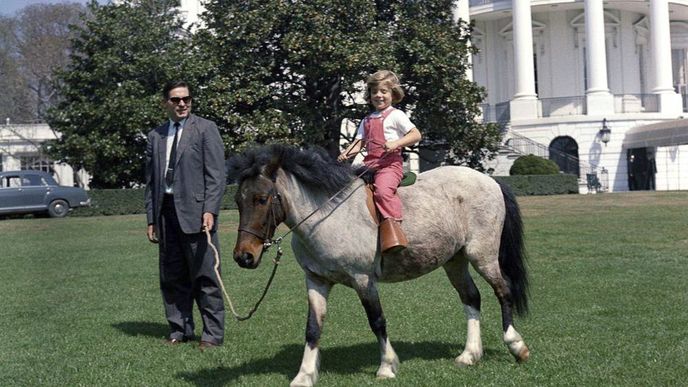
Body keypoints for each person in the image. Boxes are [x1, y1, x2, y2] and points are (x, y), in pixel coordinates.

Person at [144, 80, 226, 350]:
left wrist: (210, 209)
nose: (182, 104)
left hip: (198, 214)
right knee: (172, 277)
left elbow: (216, 176)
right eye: (176, 100)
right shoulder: (156, 136)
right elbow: (151, 182)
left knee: (205, 278)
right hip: (166, 214)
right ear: (165, 103)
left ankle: (212, 335)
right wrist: (152, 219)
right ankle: (179, 329)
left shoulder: (205, 129)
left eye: (186, 99)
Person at [338, 70, 422, 253]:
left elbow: (416, 135)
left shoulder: (396, 115)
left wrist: (396, 143)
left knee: (382, 192)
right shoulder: (367, 119)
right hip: (369, 166)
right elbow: (359, 142)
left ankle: (394, 228)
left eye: (384, 91)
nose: (379, 95)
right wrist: (346, 153)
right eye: (375, 91)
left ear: (393, 94)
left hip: (389, 165)